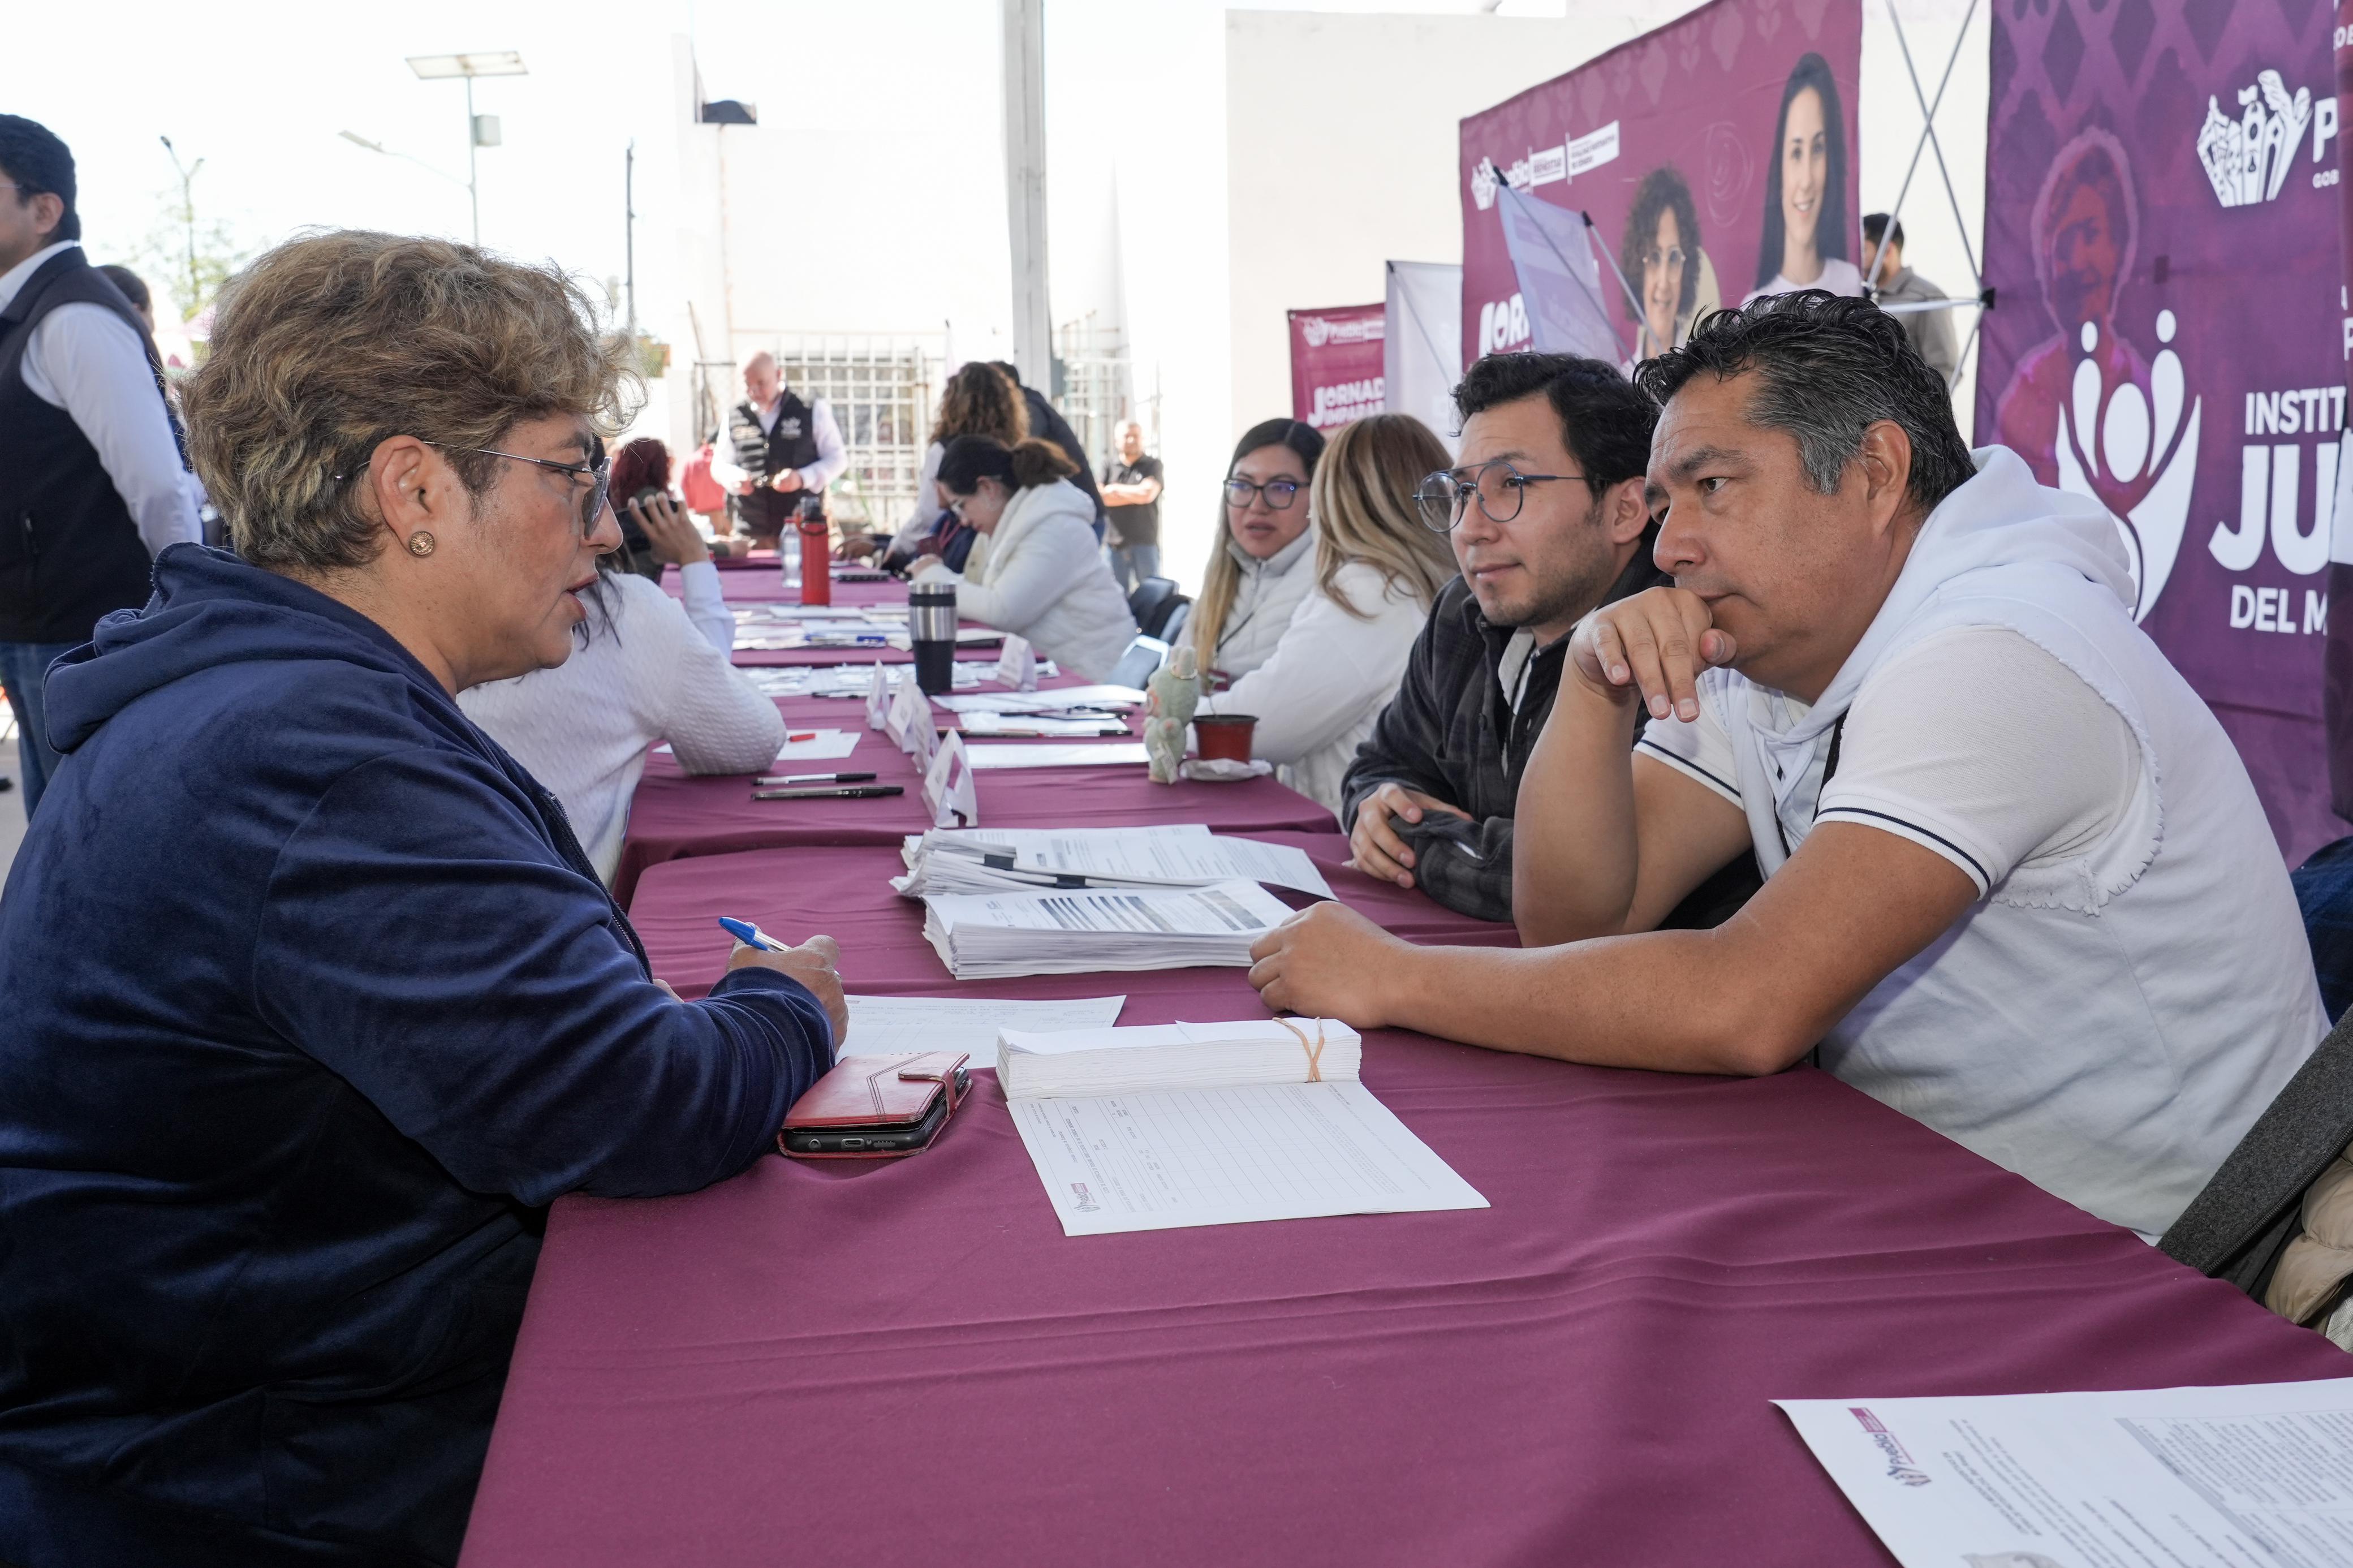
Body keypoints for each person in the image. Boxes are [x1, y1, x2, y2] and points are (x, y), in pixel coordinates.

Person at [0, 230, 846, 1568]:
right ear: (415, 491)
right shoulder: (315, 760)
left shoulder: (274, 704)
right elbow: (639, 1107)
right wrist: (783, 1004)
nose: (605, 523)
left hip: (244, 1421)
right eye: (571, 473)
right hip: (265, 1486)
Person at [1250, 291, 2324, 1243]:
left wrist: (1395, 977)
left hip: (2166, 1253)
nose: (1669, 548)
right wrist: (1590, 684)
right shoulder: (1764, 651)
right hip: (1929, 1194)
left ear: (1875, 472)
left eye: (1714, 486)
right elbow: (1577, 921)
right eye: (1666, 504)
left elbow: (1747, 1003)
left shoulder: (2000, 649)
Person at [1343, 353, 1749, 925]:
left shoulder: (1680, 645)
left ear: (1625, 510)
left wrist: (1420, 836)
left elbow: (1576, 889)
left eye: (1510, 485)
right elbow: (1378, 768)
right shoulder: (1460, 614)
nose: (1470, 528)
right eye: (1460, 493)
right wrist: (1373, 805)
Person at [0, 115, 201, 817]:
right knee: (59, 842)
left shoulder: (72, 317)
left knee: (88, 836)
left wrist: (189, 597)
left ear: (44, 209)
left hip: (82, 627)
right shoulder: (28, 312)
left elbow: (155, 482)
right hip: (38, 621)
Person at [462, 488, 783, 883]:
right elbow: (751, 738)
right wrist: (696, 563)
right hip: (562, 922)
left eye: (599, 488)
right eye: (569, 479)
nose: (609, 532)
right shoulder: (624, 613)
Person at [1199, 414, 1455, 814]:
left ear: (1332, 497)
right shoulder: (1414, 585)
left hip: (1351, 842)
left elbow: (1257, 726)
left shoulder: (1371, 593)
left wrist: (1165, 724)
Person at [911, 435, 1136, 680]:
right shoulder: (1025, 520)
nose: (962, 520)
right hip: (1062, 674)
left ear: (988, 489)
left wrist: (932, 578)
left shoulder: (1054, 527)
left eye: (960, 506)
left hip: (1097, 681)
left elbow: (1001, 610)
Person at [1176, 419, 1326, 687]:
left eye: (1281, 488)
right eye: (1243, 485)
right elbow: (1173, 679)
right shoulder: (1225, 575)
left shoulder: (1330, 583)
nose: (1258, 506)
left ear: (1318, 494)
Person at [837, 360, 1027, 570]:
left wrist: (895, 547)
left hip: (960, 554)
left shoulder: (945, 451)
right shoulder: (1012, 448)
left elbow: (928, 515)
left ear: (952, 404)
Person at [1744, 54, 1861, 303]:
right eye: (1796, 152)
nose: (1807, 180)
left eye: (1818, 149)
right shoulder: (1754, 305)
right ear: (1779, 166)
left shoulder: (1850, 281)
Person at [716, 350, 847, 545]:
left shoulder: (810, 409)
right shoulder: (735, 415)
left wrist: (803, 477)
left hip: (802, 530)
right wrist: (735, 479)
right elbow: (719, 464)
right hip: (750, 533)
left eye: (761, 383)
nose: (754, 392)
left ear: (779, 375)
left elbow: (838, 459)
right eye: (748, 385)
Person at [989, 359, 1107, 535]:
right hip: (1073, 514)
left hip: (1080, 518)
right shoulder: (1031, 405)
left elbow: (1022, 447)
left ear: (1008, 384)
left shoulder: (1030, 410)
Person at [1618, 166, 1714, 356]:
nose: (1663, 283)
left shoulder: (1702, 374)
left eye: (1673, 258)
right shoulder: (1621, 381)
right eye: (1654, 257)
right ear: (1638, 270)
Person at [1861, 213, 1959, 387]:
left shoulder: (1926, 297)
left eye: (1863, 250)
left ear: (1887, 251)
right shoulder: (1865, 296)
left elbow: (1946, 370)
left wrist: (1910, 413)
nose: (1859, 259)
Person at [1101, 419, 1165, 591]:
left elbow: (1147, 495)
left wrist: (1114, 489)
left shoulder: (1153, 465)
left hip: (1145, 543)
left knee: (1153, 595)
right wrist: (1135, 493)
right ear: (1116, 441)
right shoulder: (1108, 466)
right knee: (1116, 599)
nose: (1131, 440)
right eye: (1127, 436)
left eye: (1135, 436)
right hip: (1115, 546)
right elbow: (1101, 497)